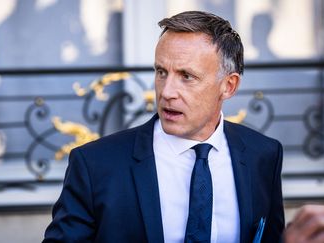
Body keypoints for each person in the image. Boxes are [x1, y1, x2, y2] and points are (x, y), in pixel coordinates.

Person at [43, 11, 284, 243]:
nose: (166, 92)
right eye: (161, 72)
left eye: (186, 76)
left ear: (229, 86)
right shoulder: (94, 164)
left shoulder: (263, 155)